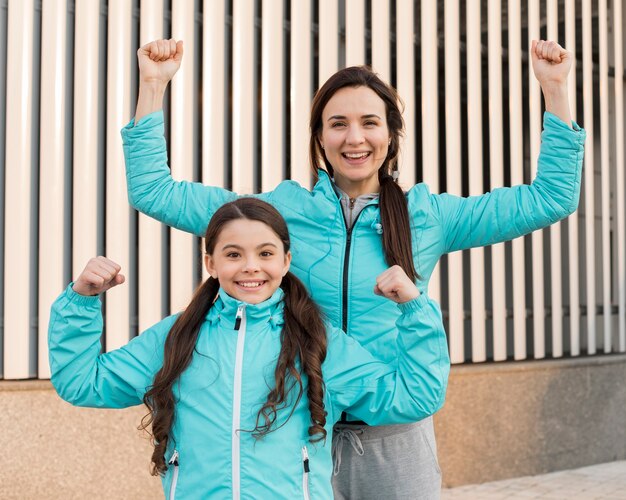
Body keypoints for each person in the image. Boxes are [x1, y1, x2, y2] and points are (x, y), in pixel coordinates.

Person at [122, 39, 586, 499]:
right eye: (338, 124)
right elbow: (154, 192)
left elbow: (550, 198)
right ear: (320, 137)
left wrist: (556, 90)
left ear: (391, 133)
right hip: (299, 436)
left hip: (396, 438)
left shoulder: (428, 216)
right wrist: (152, 85)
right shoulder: (276, 215)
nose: (354, 138)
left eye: (369, 123)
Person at [48, 198, 449, 500]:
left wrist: (415, 310)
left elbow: (415, 397)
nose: (250, 267)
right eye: (233, 254)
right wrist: (81, 301)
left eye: (266, 253)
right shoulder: (176, 337)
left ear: (287, 260)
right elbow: (83, 383)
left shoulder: (319, 341)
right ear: (210, 262)